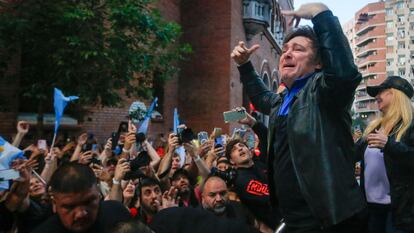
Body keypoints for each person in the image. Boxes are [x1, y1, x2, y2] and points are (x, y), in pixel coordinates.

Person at [231, 3, 366, 232]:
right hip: (292, 218)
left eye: (299, 49)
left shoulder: (323, 93)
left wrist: (320, 13)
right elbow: (263, 97)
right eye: (285, 50)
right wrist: (244, 66)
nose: (287, 54)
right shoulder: (282, 100)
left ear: (319, 63)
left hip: (329, 219)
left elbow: (344, 74)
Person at [356, 76, 414, 233]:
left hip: (399, 213)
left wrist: (389, 145)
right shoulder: (374, 128)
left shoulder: (410, 125)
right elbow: (351, 155)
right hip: (372, 210)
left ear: (395, 94)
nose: (376, 97)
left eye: (381, 92)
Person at [32, 162, 131, 233]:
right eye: (69, 207)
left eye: (88, 202)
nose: (81, 214)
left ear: (98, 194)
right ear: (54, 203)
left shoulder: (118, 214)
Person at [225, 139, 278, 230]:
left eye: (241, 146)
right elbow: (272, 196)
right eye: (234, 149)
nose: (240, 149)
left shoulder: (260, 164)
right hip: (279, 224)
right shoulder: (241, 180)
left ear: (249, 151)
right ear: (232, 161)